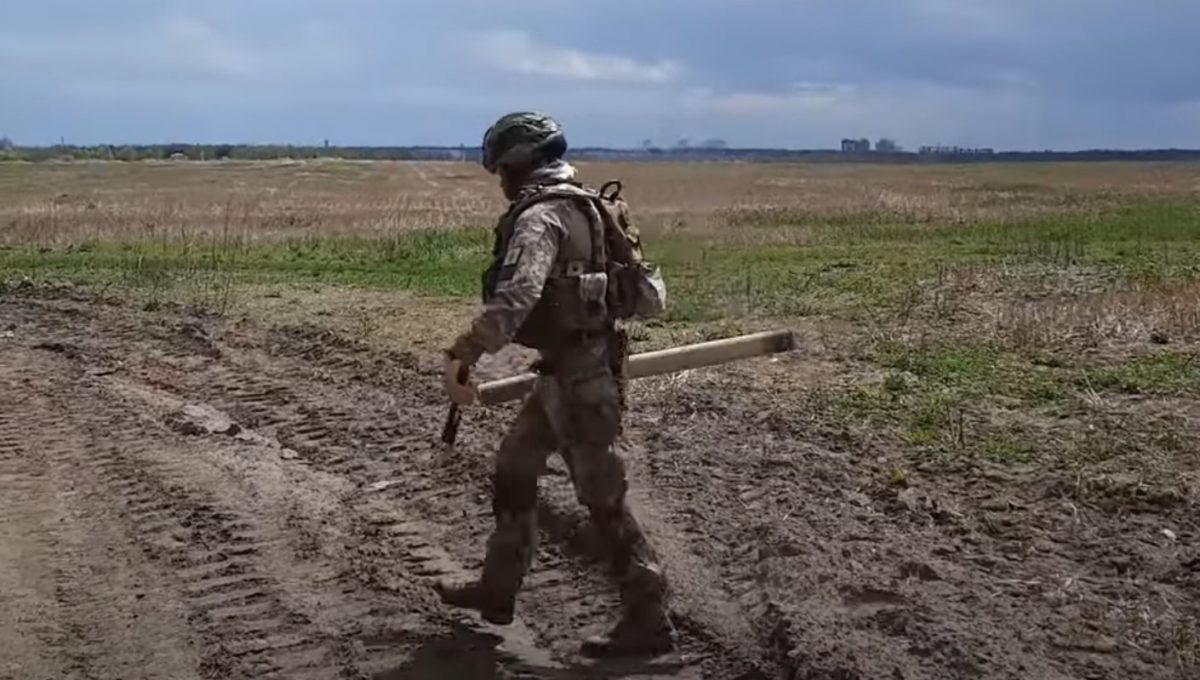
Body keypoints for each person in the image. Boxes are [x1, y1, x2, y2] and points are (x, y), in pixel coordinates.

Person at [435, 112, 676, 658]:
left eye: (501, 170)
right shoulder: (583, 204)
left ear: (517, 165)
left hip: (581, 381)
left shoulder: (541, 218)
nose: (500, 181)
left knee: (603, 502)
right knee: (515, 468)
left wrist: (462, 352)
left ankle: (649, 619)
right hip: (563, 372)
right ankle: (498, 588)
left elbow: (516, 298)